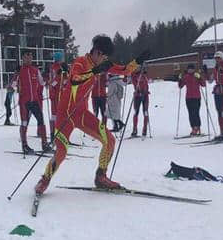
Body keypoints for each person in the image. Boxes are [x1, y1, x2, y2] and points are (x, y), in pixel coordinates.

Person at [34, 35, 149, 195]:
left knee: (109, 140)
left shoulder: (101, 64)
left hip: (81, 114)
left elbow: (124, 70)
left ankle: (101, 177)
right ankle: (45, 179)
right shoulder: (80, 61)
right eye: (104, 56)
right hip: (65, 114)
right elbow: (74, 80)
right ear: (97, 52)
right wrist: (95, 71)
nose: (105, 60)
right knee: (61, 152)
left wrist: (138, 60)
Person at [16, 50, 48, 153]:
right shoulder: (20, 71)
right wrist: (14, 85)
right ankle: (24, 145)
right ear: (23, 58)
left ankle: (44, 144)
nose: (29, 59)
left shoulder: (35, 70)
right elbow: (11, 85)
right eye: (26, 57)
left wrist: (46, 76)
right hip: (24, 102)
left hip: (34, 100)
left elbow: (42, 82)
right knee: (24, 122)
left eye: (30, 57)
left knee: (41, 120)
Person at [178, 64, 205, 136]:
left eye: (191, 69)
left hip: (196, 97)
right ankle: (193, 127)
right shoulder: (186, 77)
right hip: (188, 97)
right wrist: (180, 79)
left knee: (195, 112)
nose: (190, 70)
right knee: (190, 113)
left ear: (193, 69)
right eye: (189, 69)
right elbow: (180, 86)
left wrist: (200, 78)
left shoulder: (196, 76)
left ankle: (197, 127)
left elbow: (203, 84)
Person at [46, 51, 66, 141]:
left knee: (61, 115)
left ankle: (60, 133)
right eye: (61, 58)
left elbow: (65, 81)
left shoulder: (61, 67)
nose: (62, 59)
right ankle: (53, 134)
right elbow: (52, 82)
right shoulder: (53, 68)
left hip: (61, 94)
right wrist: (58, 77)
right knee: (54, 115)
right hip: (55, 94)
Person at [131, 68, 150, 137]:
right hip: (137, 96)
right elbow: (133, 81)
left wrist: (146, 91)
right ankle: (134, 129)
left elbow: (146, 85)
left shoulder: (144, 75)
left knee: (145, 112)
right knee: (136, 112)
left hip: (145, 96)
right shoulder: (134, 75)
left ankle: (145, 129)